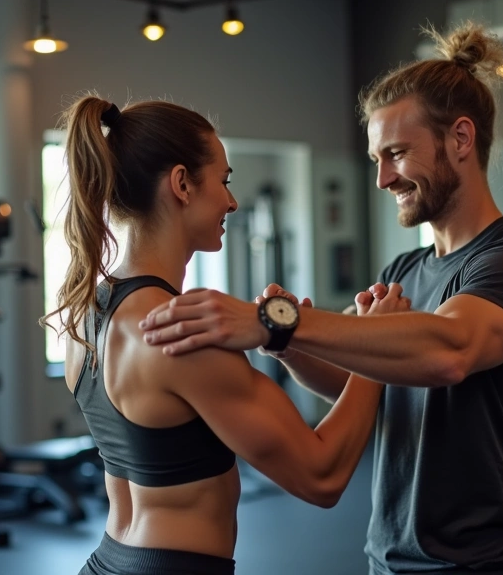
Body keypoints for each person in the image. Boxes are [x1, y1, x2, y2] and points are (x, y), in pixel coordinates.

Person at [138, 21, 503, 575]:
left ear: (460, 139)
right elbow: (353, 380)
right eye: (376, 160)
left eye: (396, 153)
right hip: (388, 561)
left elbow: (449, 351)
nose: (383, 178)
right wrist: (286, 346)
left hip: (482, 566)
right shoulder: (405, 270)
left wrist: (274, 322)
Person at [41, 94, 410, 575]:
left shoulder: (85, 313)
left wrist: (284, 338)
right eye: (224, 180)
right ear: (181, 184)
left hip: (108, 560)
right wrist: (375, 343)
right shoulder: (179, 334)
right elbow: (322, 476)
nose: (232, 201)